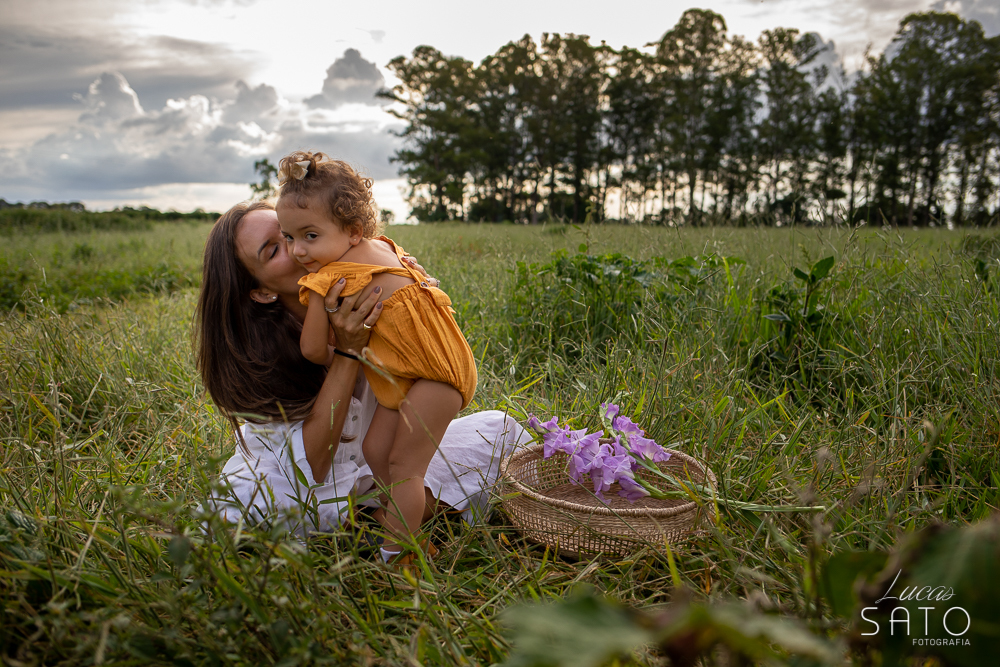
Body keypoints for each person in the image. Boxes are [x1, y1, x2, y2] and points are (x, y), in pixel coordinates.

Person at [195, 199, 528, 563]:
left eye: (295, 231)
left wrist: (410, 291)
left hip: (375, 461)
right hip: (301, 476)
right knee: (253, 509)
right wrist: (348, 351)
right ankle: (382, 521)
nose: (298, 247)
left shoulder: (361, 282)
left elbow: (424, 371)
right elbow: (313, 464)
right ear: (262, 291)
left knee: (499, 431)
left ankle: (380, 517)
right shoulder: (262, 354)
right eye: (276, 248)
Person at [274, 151, 476, 561]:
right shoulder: (387, 248)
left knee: (404, 465)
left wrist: (331, 337)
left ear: (353, 231)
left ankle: (397, 558)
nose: (298, 251)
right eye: (289, 237)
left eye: (310, 236)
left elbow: (312, 349)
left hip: (437, 376)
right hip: (412, 372)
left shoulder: (325, 279)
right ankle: (408, 526)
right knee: (375, 451)